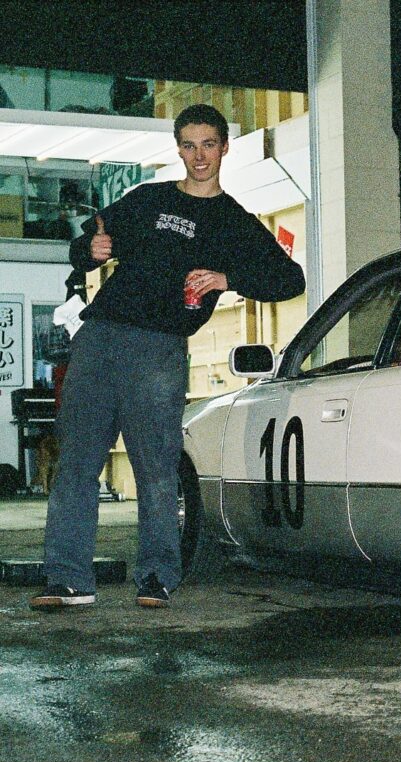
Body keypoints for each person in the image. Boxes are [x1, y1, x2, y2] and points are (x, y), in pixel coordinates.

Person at [30, 104, 305, 610]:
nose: (198, 156)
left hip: (158, 350)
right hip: (100, 337)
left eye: (207, 145)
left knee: (156, 469)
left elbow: (292, 280)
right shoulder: (147, 199)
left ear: (224, 148)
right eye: (188, 145)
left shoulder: (234, 224)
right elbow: (84, 243)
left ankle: (156, 577)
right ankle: (68, 580)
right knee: (76, 465)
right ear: (178, 149)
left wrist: (228, 278)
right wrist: (90, 249)